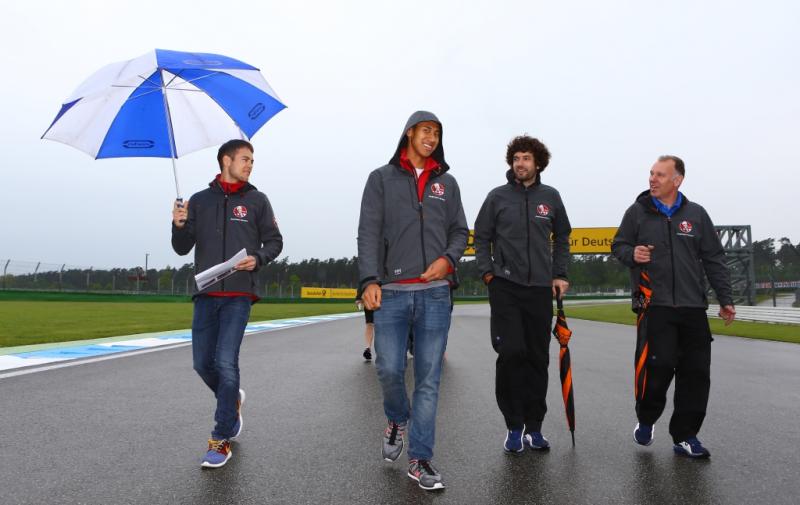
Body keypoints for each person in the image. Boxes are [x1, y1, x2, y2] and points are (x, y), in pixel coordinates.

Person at [357, 111, 468, 491]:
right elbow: (368, 232)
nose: (432, 137)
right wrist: (369, 279)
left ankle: (420, 459)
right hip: (391, 291)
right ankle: (396, 418)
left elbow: (460, 231)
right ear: (409, 134)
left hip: (436, 293)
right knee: (389, 369)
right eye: (426, 131)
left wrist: (448, 260)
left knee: (429, 379)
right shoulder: (381, 179)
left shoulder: (447, 183)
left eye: (437, 133)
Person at [612, 155, 735, 459]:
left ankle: (685, 436)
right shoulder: (637, 212)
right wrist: (632, 253)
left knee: (696, 374)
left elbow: (714, 259)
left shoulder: (696, 214)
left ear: (677, 180)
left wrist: (725, 299)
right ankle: (646, 418)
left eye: (660, 175)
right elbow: (619, 246)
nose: (652, 179)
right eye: (651, 173)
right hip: (655, 306)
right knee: (659, 367)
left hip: (693, 307)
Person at [172, 139, 283, 468]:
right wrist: (178, 224)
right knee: (202, 364)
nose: (250, 165)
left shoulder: (257, 200)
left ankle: (220, 439)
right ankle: (232, 398)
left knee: (225, 363)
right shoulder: (199, 201)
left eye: (252, 160)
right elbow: (181, 247)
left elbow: (275, 241)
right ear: (226, 160)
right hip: (206, 294)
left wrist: (257, 258)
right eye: (245, 159)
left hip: (238, 294)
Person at [474, 135, 571, 453]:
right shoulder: (497, 197)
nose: (520, 163)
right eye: (516, 158)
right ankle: (514, 426)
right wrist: (488, 273)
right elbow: (481, 236)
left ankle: (534, 427)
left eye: (526, 158)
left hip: (540, 289)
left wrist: (560, 274)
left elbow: (563, 237)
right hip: (505, 287)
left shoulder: (551, 197)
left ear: (538, 163)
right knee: (511, 352)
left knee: (536, 358)